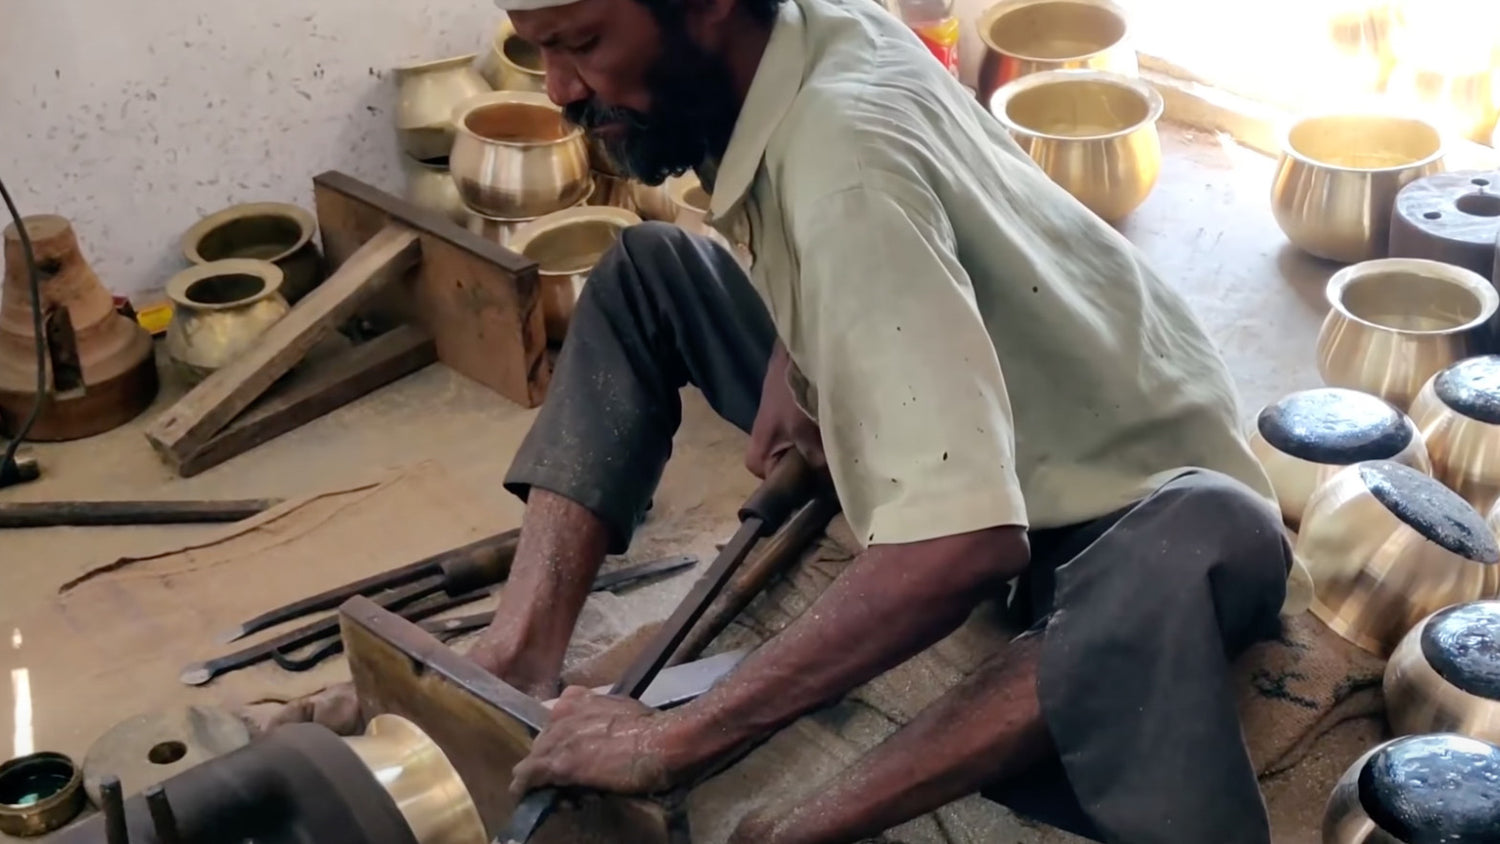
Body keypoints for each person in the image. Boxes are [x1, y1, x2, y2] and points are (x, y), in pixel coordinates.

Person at [274, 0, 1299, 840]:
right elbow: (876, 212)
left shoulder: (846, 175)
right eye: (540, 49)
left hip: (1118, 490)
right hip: (993, 351)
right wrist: (798, 336)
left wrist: (679, 739)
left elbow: (967, 546)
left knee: (1199, 537)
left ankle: (802, 827)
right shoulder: (814, 29)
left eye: (583, 43)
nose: (558, 90)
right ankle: (517, 654)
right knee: (644, 273)